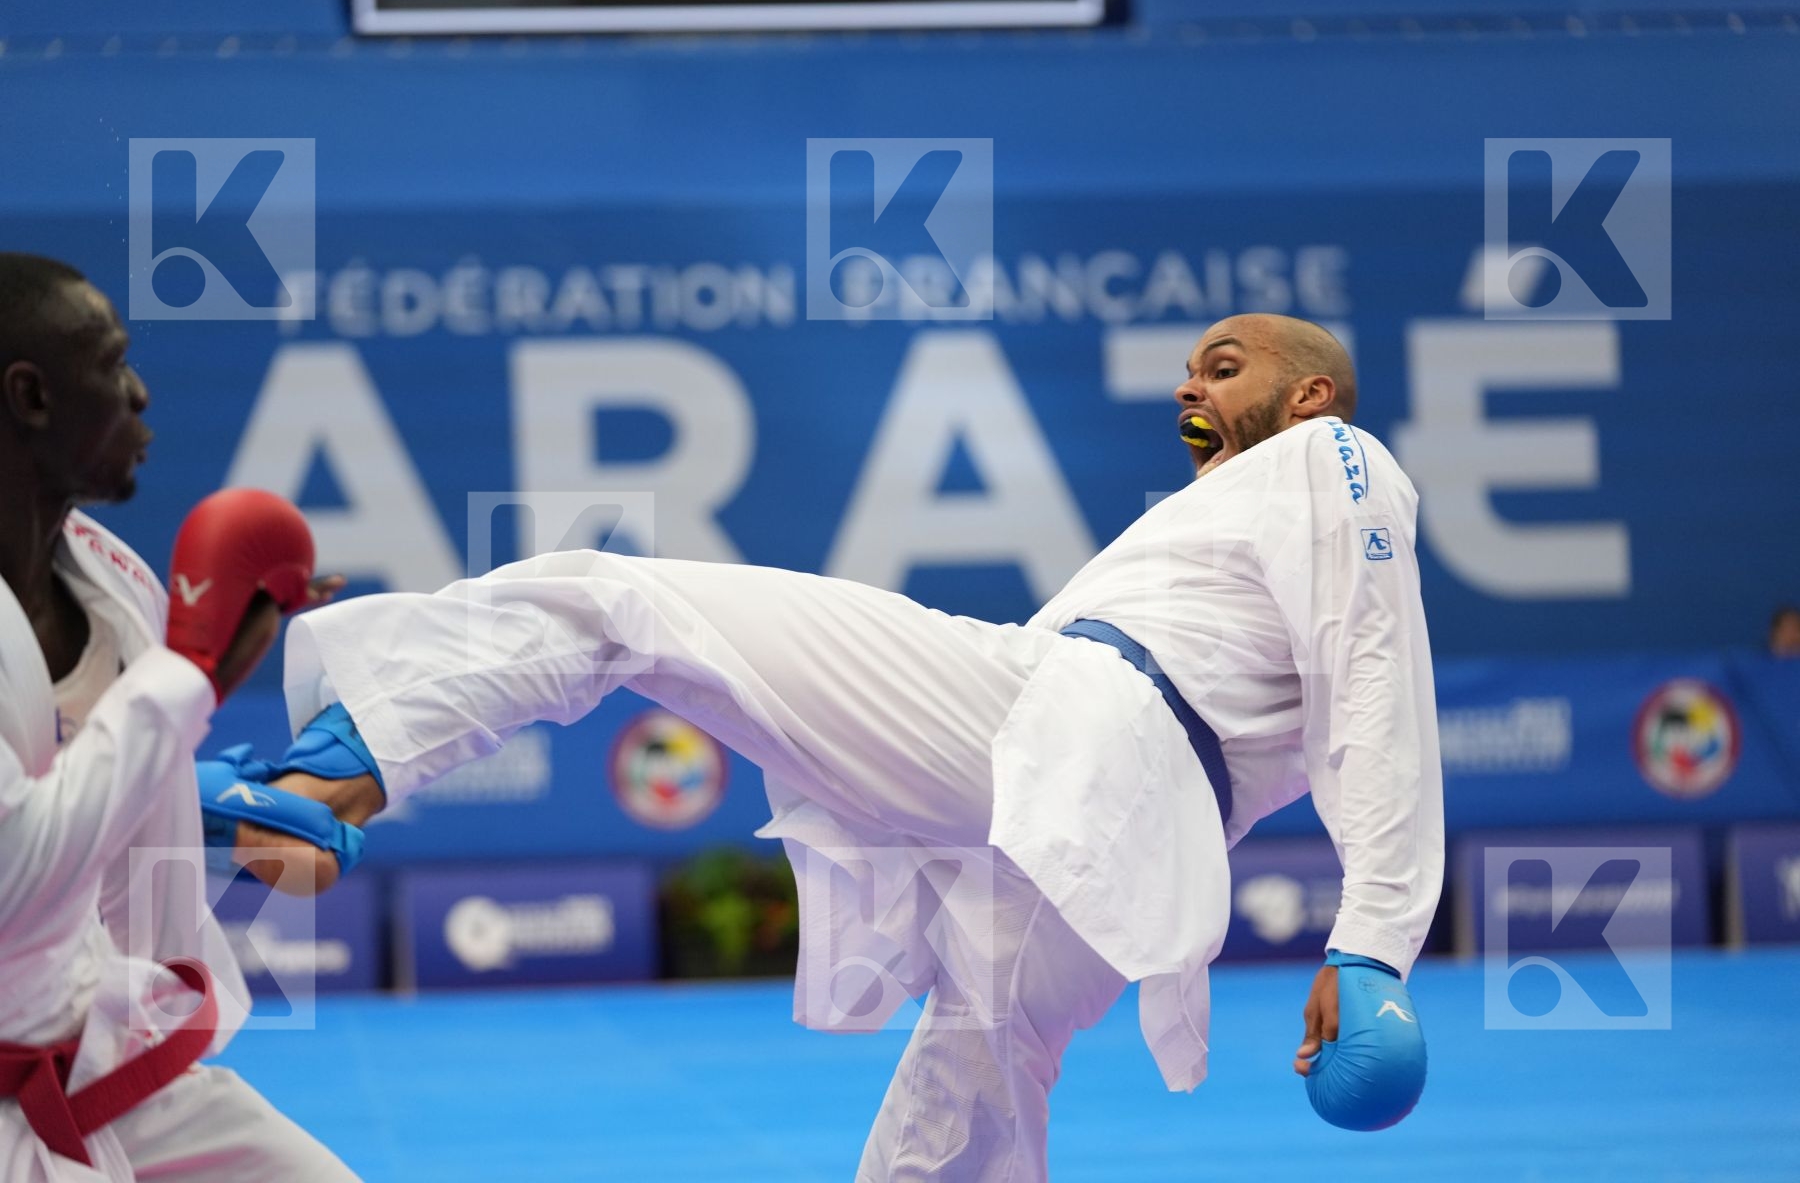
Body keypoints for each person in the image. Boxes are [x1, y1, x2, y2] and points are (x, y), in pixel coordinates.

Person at [277, 313, 1444, 1177]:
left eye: (1226, 367)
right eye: (1187, 371)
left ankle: (340, 761)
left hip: (1080, 730)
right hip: (1123, 846)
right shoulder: (1213, 520)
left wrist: (1376, 939)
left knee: (623, 605)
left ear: (1310, 397)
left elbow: (1375, 679)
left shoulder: (1330, 460)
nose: (1192, 384)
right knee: (963, 1115)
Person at [0, 253, 363, 1180]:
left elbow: (100, 778)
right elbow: (22, 874)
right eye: (113, 363)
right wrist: (188, 676)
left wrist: (207, 797)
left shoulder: (111, 578)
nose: (141, 391)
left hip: (96, 1056)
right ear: (31, 396)